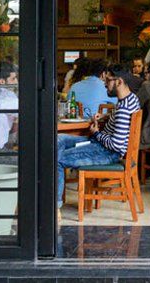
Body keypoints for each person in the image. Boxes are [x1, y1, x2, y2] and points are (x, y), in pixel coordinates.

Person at [56, 67, 140, 219]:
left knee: (57, 159)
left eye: (107, 81)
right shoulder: (131, 99)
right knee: (59, 139)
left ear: (119, 82)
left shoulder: (123, 109)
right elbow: (121, 122)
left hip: (106, 152)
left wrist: (96, 133)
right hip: (101, 146)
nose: (104, 84)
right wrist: (105, 117)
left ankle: (55, 206)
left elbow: (116, 144)